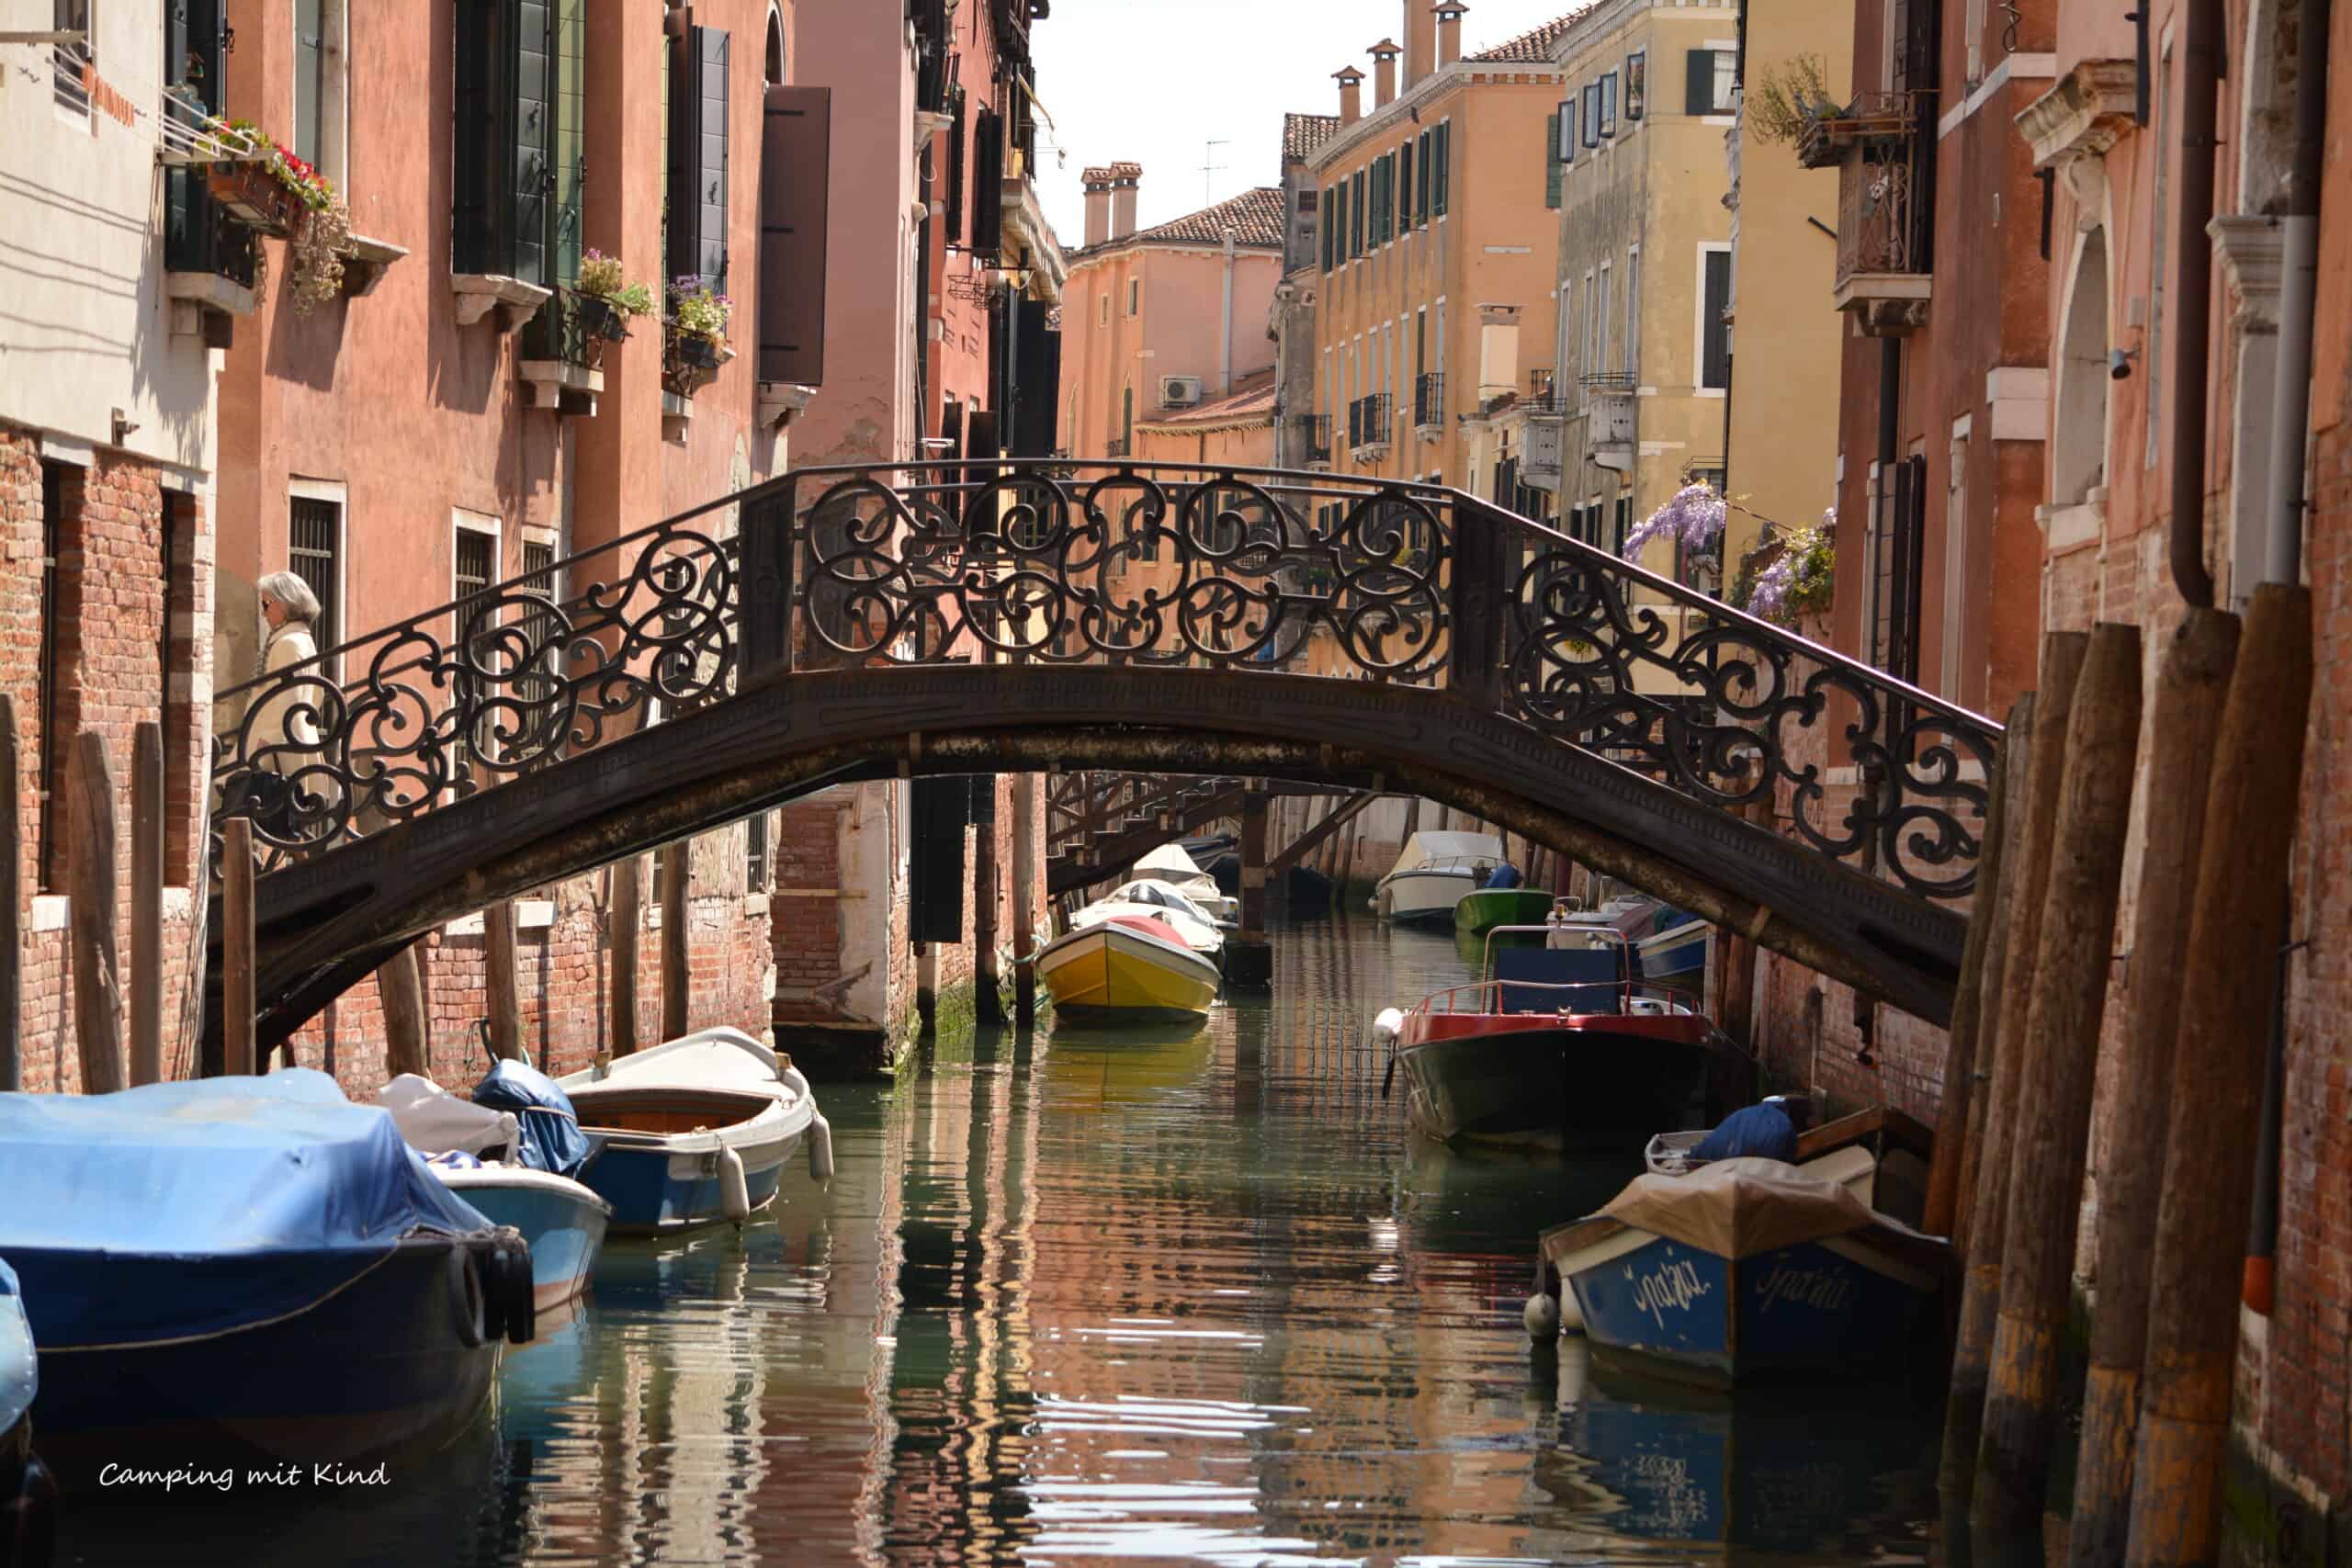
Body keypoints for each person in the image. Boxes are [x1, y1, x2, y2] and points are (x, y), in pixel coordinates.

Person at [232, 571, 325, 842]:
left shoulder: (287, 644)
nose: (263, 613)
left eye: (266, 604)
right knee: (280, 827)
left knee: (272, 824)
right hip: (284, 741)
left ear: (284, 604)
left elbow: (289, 701)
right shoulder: (299, 639)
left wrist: (269, 741)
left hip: (274, 744)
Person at [1688, 1093, 1815, 1164]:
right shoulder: (1784, 1127)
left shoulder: (1743, 1113)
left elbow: (1715, 1140)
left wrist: (1693, 1155)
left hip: (1714, 1159)